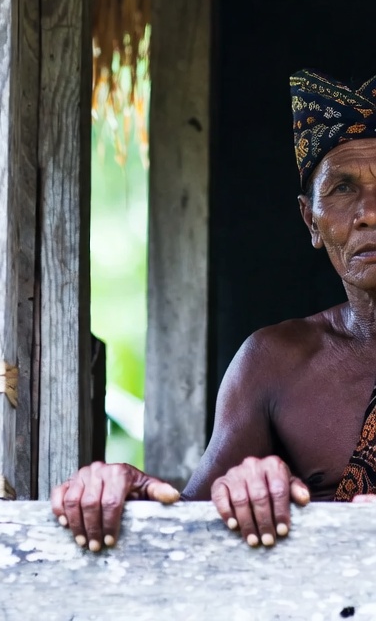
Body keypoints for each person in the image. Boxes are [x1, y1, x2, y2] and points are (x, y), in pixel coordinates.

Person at [52, 69, 376, 552]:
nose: (368, 211)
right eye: (343, 188)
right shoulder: (276, 362)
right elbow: (188, 532)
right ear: (311, 220)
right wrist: (128, 490)